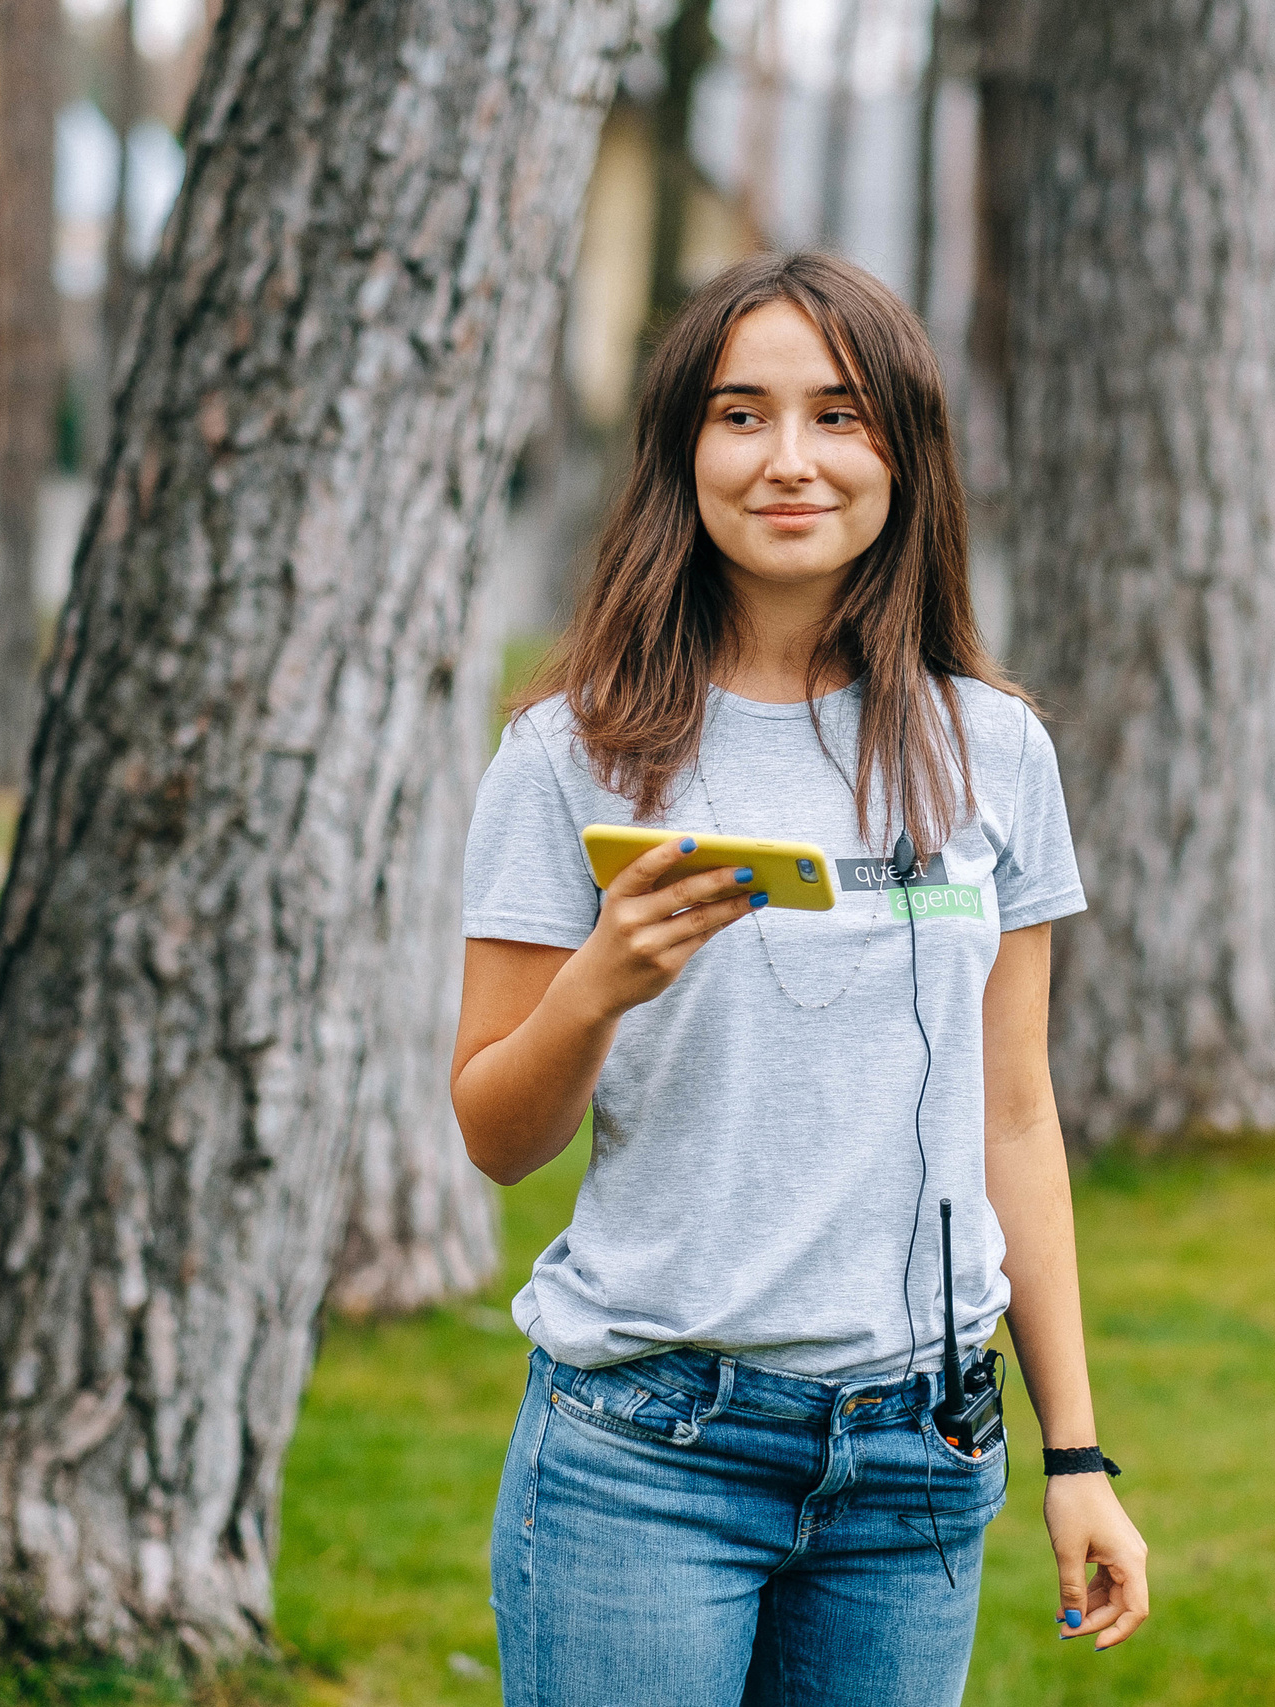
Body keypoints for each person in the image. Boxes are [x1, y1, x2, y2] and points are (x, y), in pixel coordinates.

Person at [453, 250, 1148, 1707]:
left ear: (903, 453)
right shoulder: (566, 756)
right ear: (679, 454)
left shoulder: (995, 748)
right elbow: (498, 1134)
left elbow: (1012, 1118)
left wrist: (1076, 1454)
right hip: (649, 1449)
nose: (790, 461)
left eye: (839, 417)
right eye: (739, 414)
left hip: (922, 1461)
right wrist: (597, 987)